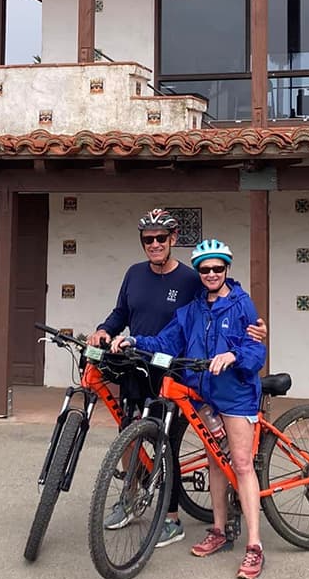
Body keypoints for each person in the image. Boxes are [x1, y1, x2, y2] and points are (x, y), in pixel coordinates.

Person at [86, 209, 266, 549]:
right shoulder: (169, 296)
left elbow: (252, 343)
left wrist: (241, 348)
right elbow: (150, 328)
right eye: (147, 239)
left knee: (226, 459)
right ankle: (204, 523)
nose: (211, 274)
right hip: (173, 378)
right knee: (150, 438)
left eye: (217, 268)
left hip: (207, 385)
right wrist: (124, 337)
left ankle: (241, 540)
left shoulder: (220, 296)